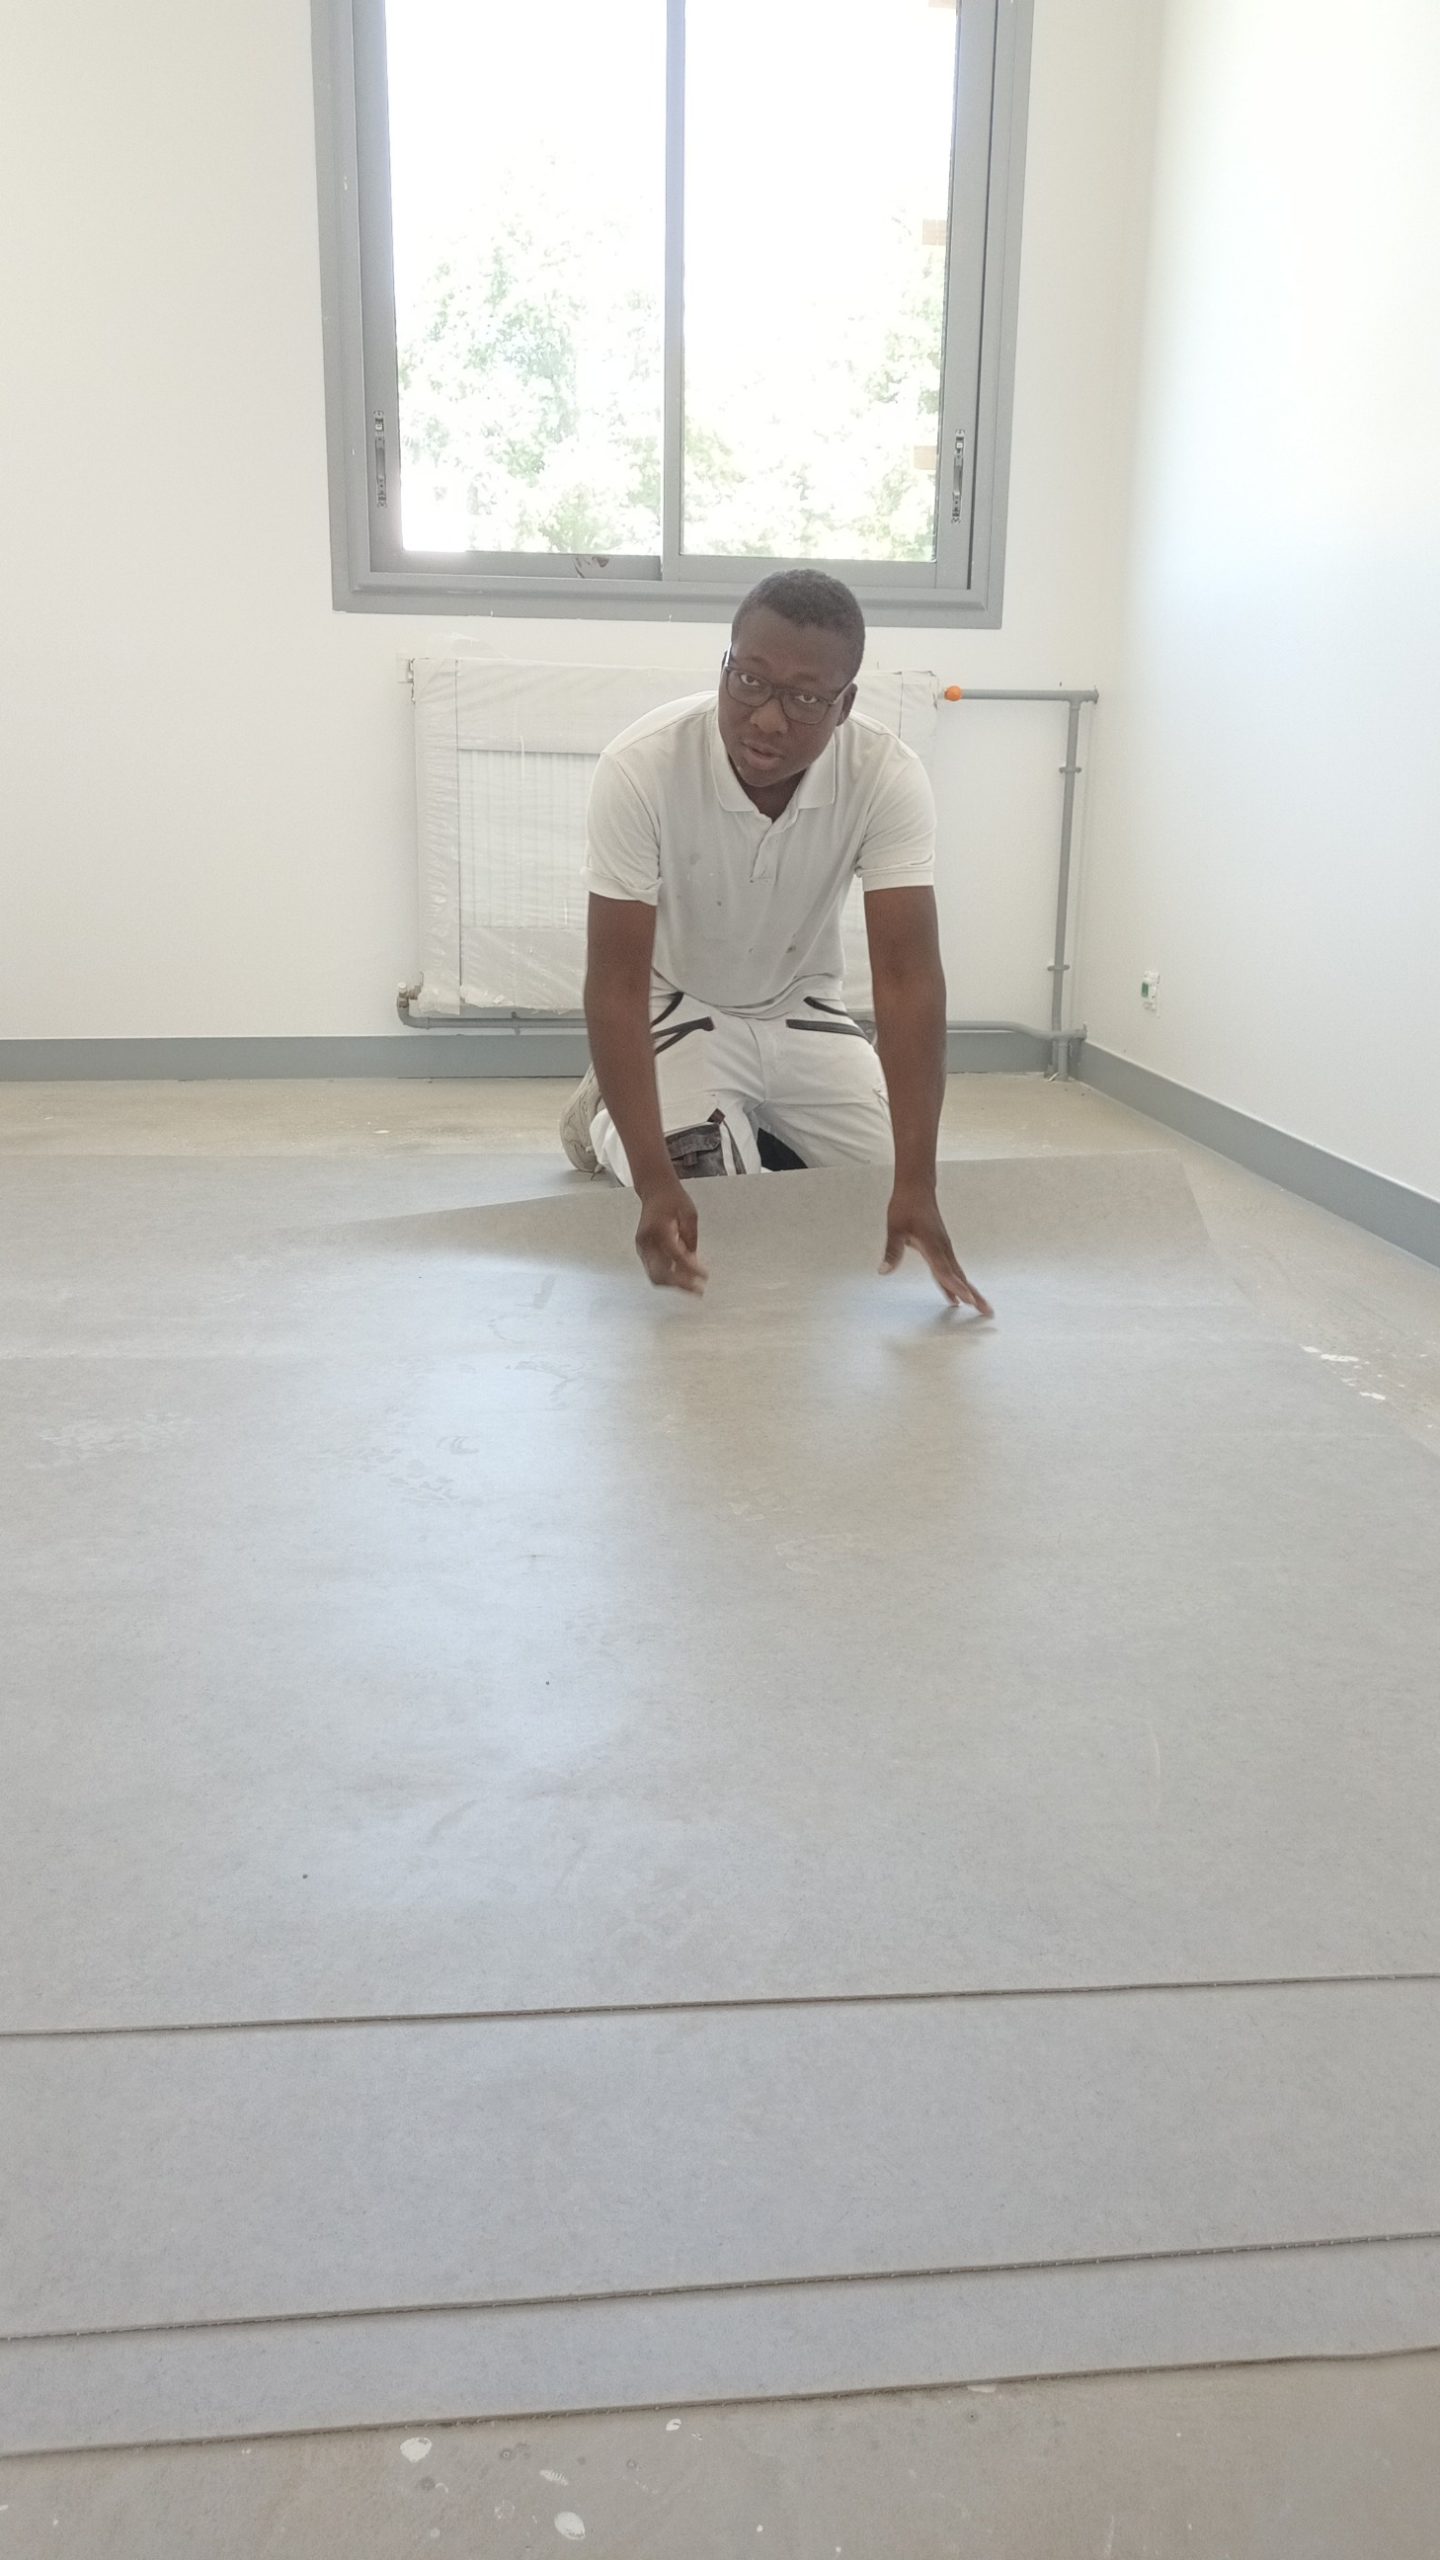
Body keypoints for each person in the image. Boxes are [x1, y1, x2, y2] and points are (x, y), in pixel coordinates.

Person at [559, 569, 993, 1315]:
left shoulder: (885, 775)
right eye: (749, 681)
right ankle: (605, 1114)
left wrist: (918, 1181)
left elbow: (907, 980)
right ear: (724, 665)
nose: (765, 719)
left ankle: (745, 1123)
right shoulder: (642, 767)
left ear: (844, 705)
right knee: (713, 1207)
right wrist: (655, 1182)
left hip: (801, 1009)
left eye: (804, 698)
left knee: (882, 1187)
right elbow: (617, 985)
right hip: (675, 1004)